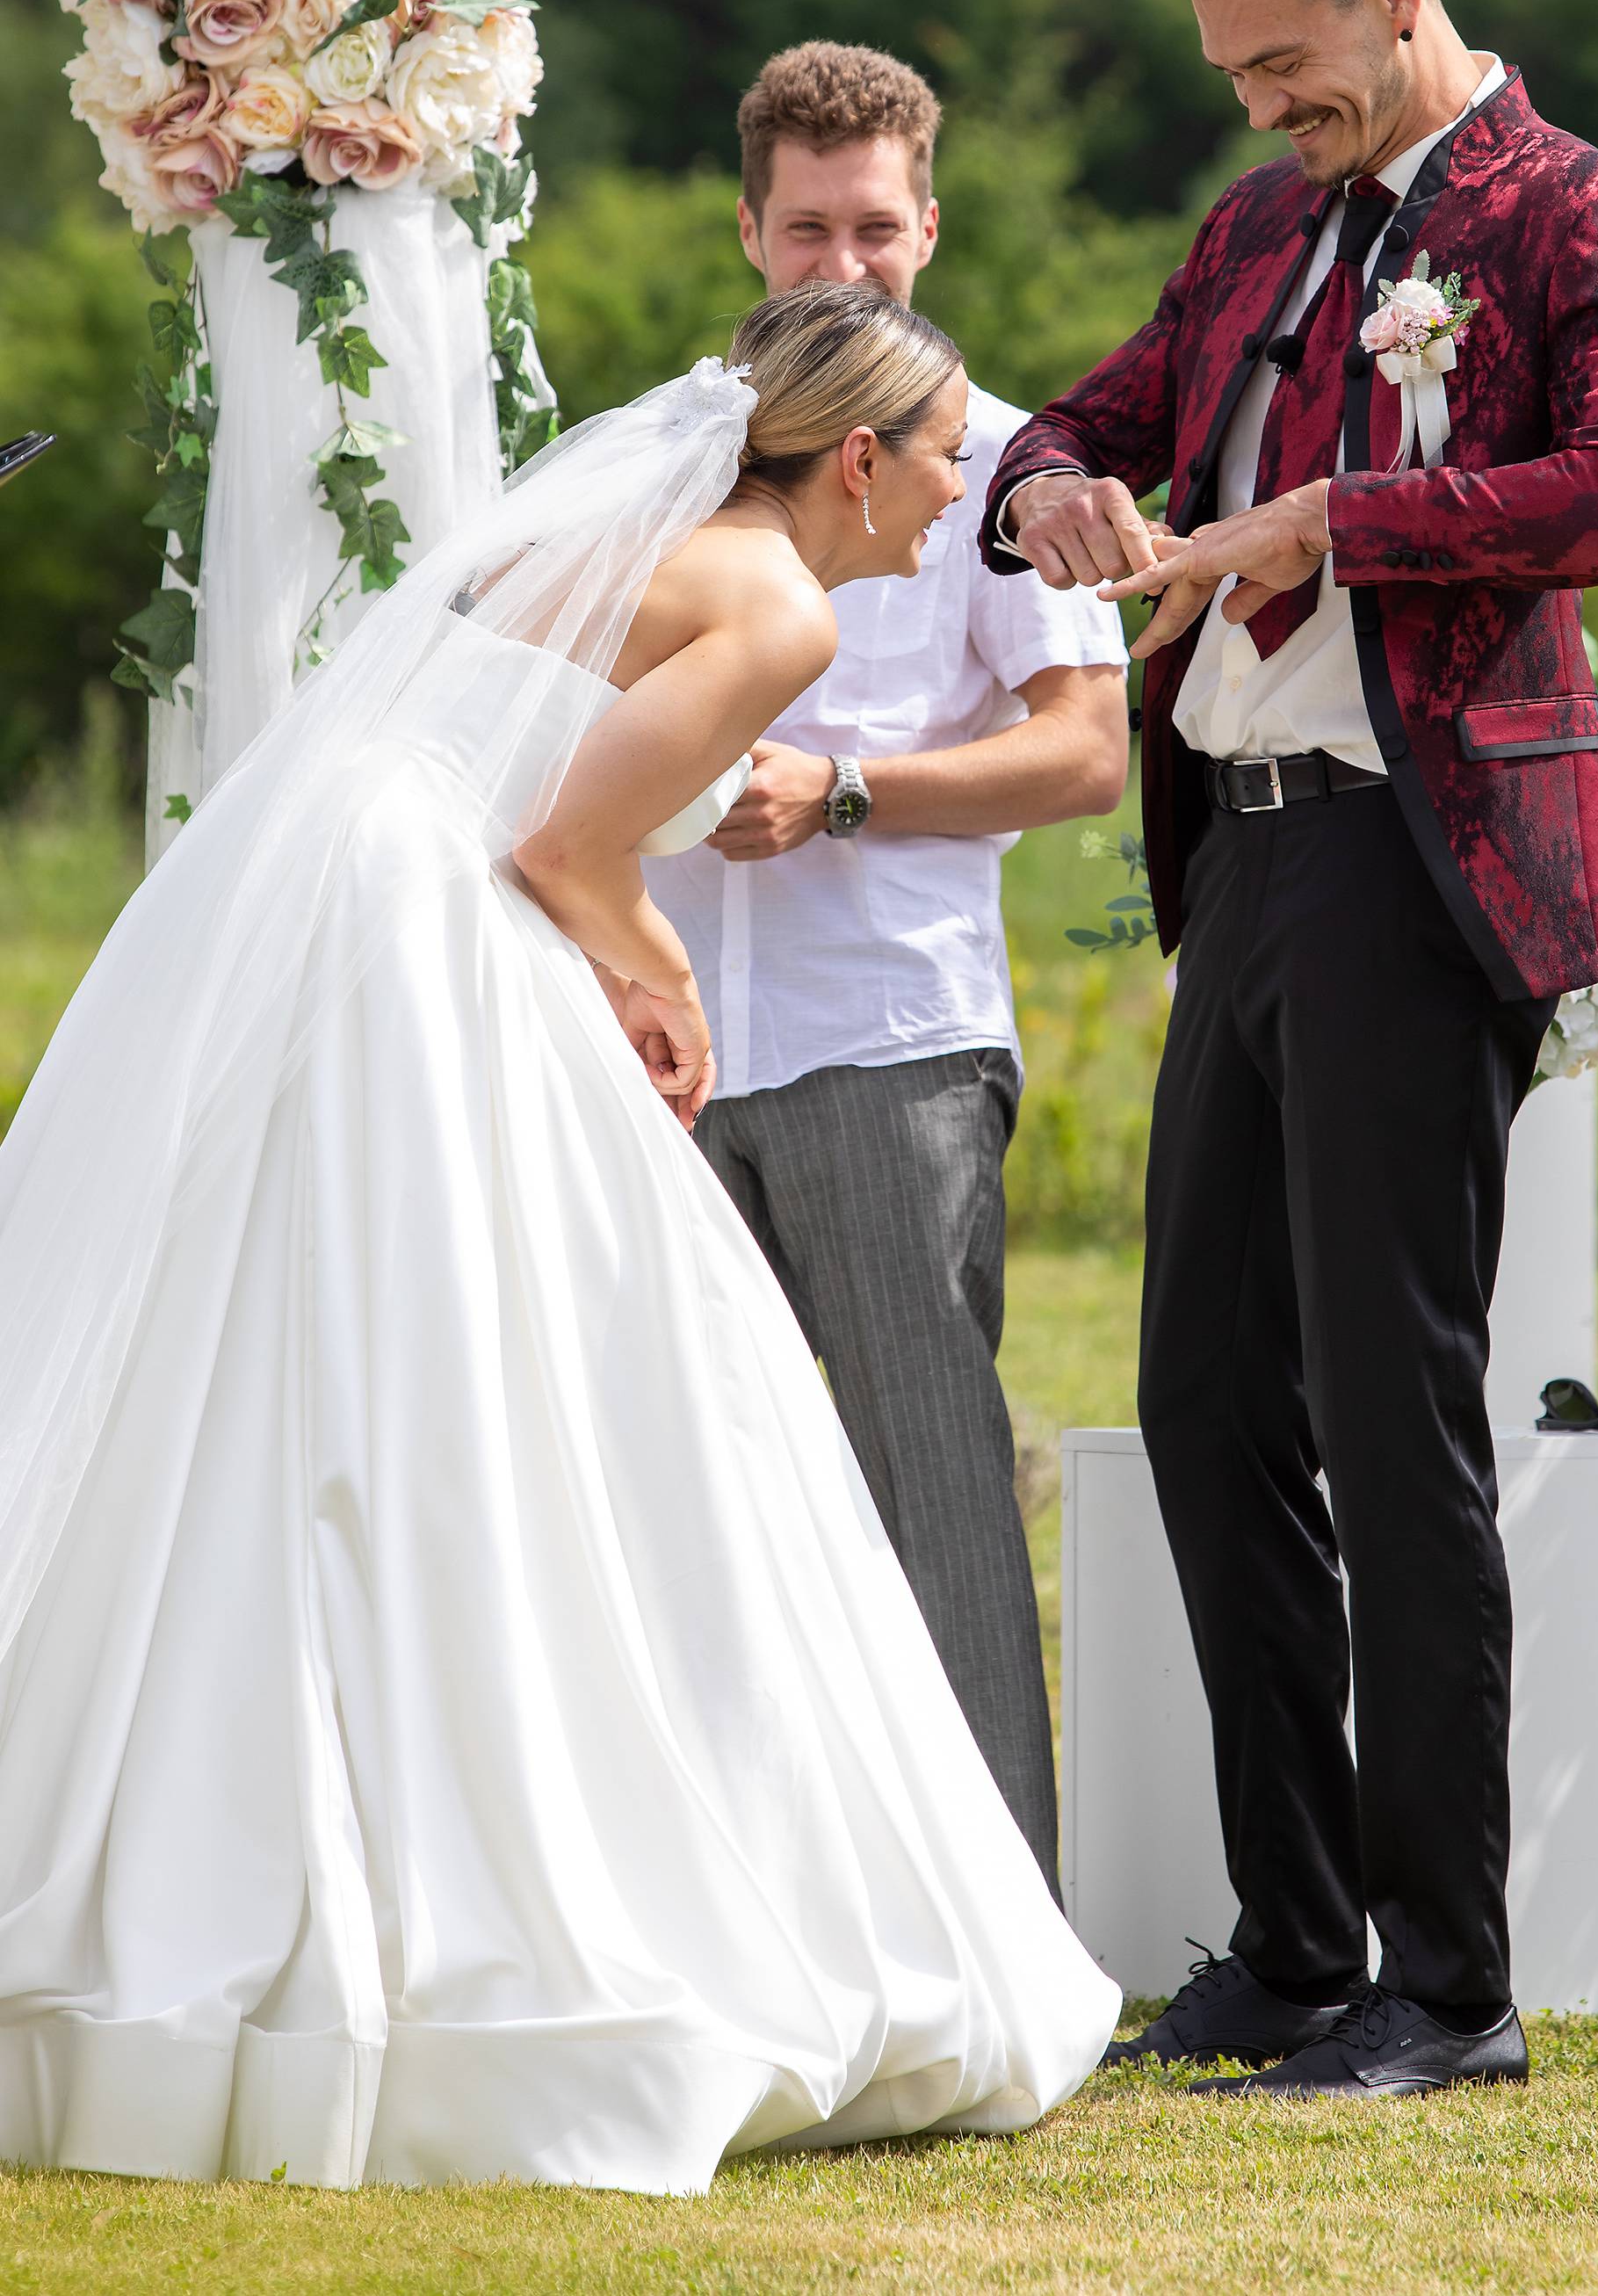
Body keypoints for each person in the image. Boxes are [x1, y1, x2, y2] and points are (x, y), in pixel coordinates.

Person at [0, 281, 1117, 2192]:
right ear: (856, 455)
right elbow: (567, 848)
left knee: (302, 1346)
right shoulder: (779, 601)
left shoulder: (667, 542)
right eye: (947, 460)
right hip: (427, 911)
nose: (961, 497)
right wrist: (663, 968)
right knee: (484, 1359)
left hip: (355, 872)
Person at [983, 0, 1598, 2098]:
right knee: (1205, 1408)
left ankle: (1451, 1983)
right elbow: (1090, 417)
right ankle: (1291, 1945)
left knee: (1398, 1439)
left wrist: (1335, 527)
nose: (1258, 103)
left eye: (1285, 59)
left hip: (1422, 867)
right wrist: (1055, 494)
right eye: (1230, 68)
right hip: (1250, 872)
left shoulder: (1580, 215)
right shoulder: (1259, 227)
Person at [644, 42, 1129, 1893]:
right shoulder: (665, 454)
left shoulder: (1010, 463)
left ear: (931, 220)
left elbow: (1087, 749)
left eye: (876, 226)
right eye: (806, 228)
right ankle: (751, 1901)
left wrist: (843, 786)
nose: (842, 265)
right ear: (747, 227)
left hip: (891, 1037)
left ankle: (1002, 1918)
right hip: (668, 1044)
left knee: (936, 1486)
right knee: (695, 1487)